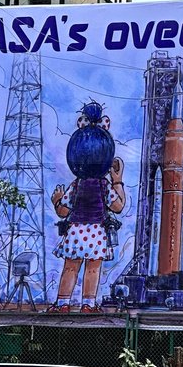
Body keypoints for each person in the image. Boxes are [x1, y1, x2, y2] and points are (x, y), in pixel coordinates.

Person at [48, 102, 126, 313]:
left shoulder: (77, 184)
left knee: (70, 267)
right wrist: (117, 180)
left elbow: (64, 211)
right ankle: (88, 304)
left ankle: (63, 303)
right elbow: (118, 207)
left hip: (75, 231)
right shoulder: (104, 185)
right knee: (93, 269)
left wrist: (56, 201)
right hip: (96, 232)